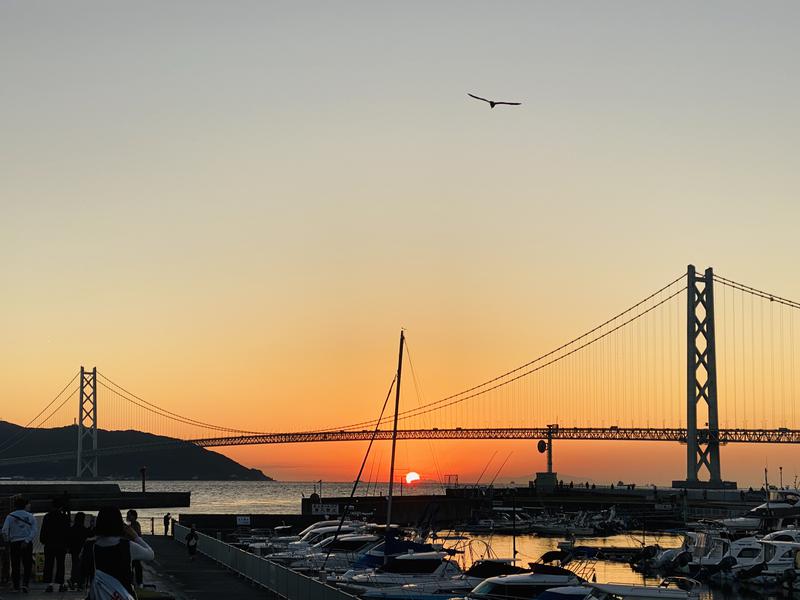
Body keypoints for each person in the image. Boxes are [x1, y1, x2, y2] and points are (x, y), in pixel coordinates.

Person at [91, 507, 154, 599]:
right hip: (124, 594)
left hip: (100, 594)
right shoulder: (127, 546)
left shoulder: (92, 546)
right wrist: (136, 537)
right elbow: (150, 554)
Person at [1, 497, 37, 593]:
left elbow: (4, 531)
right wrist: (27, 540)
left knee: (15, 564)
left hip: (14, 543)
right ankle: (25, 584)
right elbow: (34, 530)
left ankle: (16, 585)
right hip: (27, 543)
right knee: (27, 564)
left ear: (15, 506)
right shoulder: (30, 516)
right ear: (25, 505)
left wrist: (8, 540)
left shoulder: (10, 516)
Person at [41, 497, 71, 593]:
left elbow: (43, 530)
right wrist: (67, 544)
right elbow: (67, 532)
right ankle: (60, 584)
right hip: (61, 545)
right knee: (60, 564)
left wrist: (43, 540)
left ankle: (49, 584)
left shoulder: (47, 516)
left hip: (49, 544)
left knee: (49, 564)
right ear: (61, 507)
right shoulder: (65, 517)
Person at [68, 512, 91, 590]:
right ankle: (80, 583)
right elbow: (89, 535)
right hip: (82, 550)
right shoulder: (84, 529)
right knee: (81, 566)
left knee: (74, 565)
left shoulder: (72, 529)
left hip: (74, 550)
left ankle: (73, 580)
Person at [125, 510, 143, 588]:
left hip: (135, 548)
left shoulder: (135, 525)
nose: (127, 517)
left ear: (134, 516)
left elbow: (136, 535)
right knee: (133, 565)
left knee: (136, 565)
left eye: (129, 515)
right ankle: (134, 582)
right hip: (132, 547)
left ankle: (138, 583)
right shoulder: (131, 525)